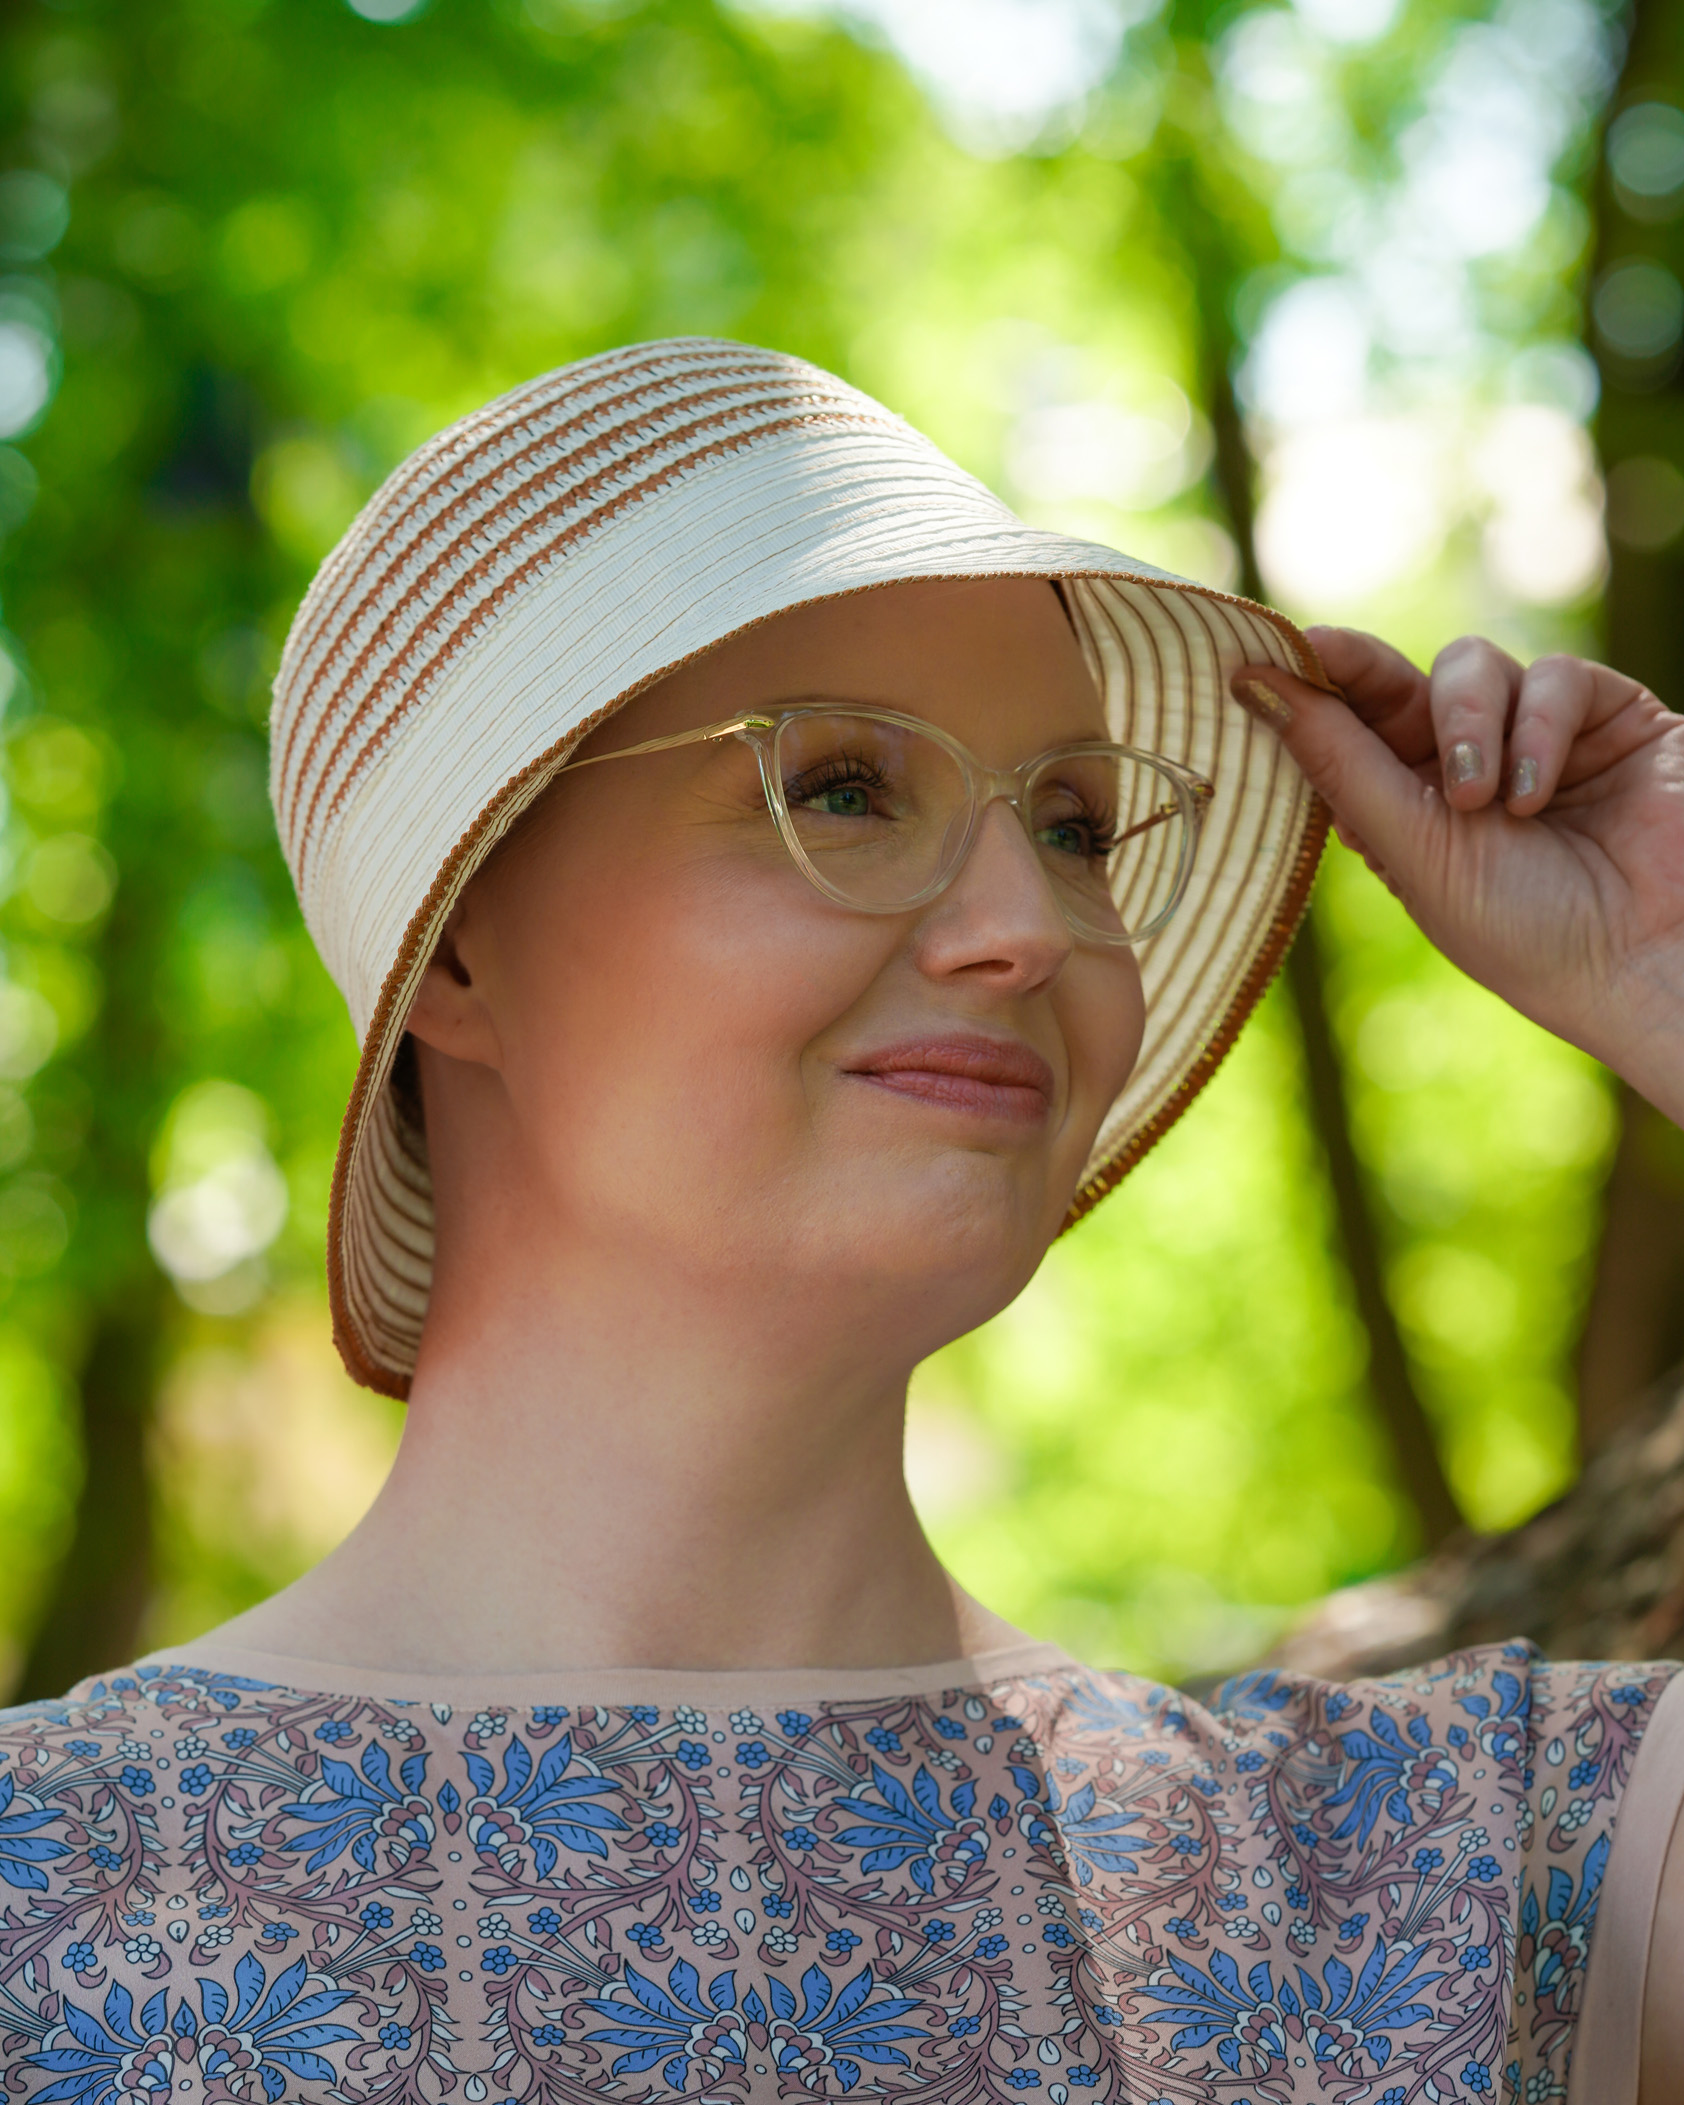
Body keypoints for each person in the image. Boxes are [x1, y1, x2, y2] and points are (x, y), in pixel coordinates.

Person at [1, 340, 1679, 2104]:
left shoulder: (1443, 1874)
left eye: (1077, 825)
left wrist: (1664, 963)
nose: (1025, 925)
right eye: (844, 789)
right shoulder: (47, 1897)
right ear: (462, 940)